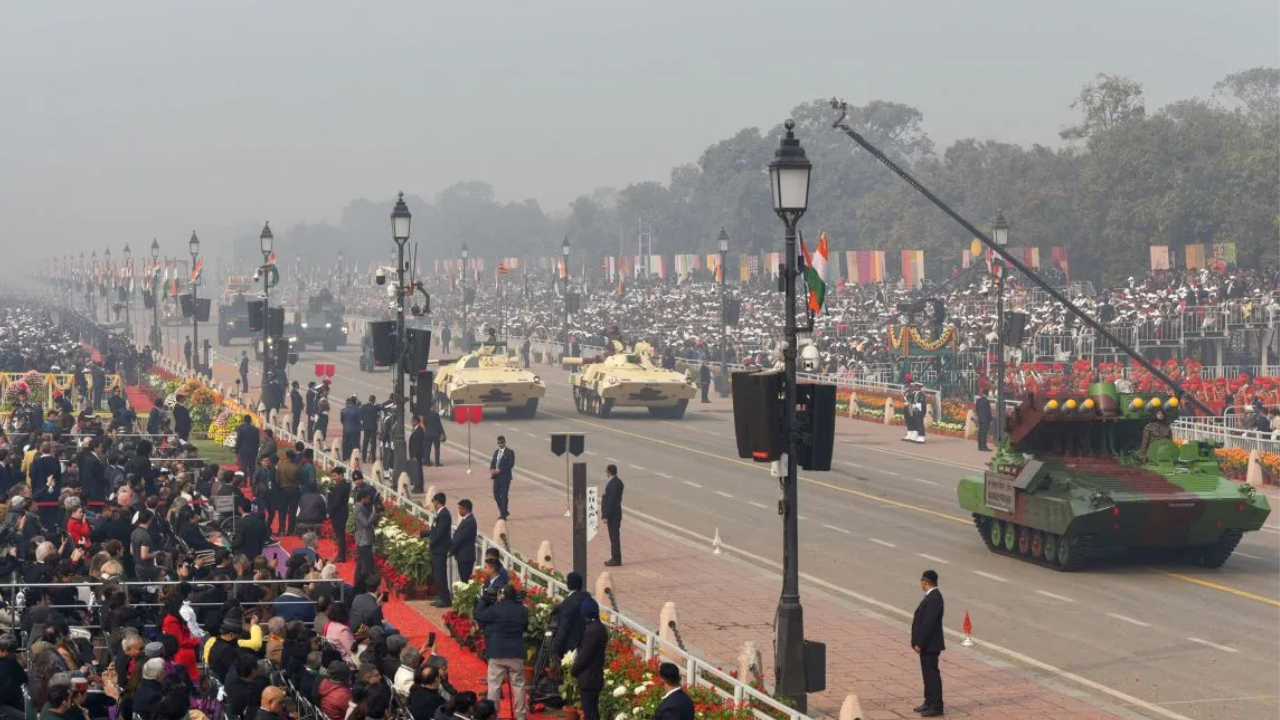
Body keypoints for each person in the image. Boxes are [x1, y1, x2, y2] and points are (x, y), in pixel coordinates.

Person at [474, 585, 528, 720]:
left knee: (494, 685)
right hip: (516, 652)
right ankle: (521, 715)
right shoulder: (522, 610)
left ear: (502, 595)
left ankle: (492, 714)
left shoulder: (495, 609)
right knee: (519, 685)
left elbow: (478, 615)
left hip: (497, 652)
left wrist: (483, 600)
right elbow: (524, 627)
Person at [910, 569, 945, 717]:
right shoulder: (932, 597)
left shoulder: (934, 598)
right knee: (927, 674)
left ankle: (936, 705)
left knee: (932, 675)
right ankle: (929, 701)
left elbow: (928, 624)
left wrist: (920, 643)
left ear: (925, 582)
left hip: (930, 644)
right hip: (928, 645)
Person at [571, 596, 607, 720]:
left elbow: (585, 656)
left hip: (589, 678)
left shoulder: (593, 631)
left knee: (590, 712)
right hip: (594, 677)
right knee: (591, 710)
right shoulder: (599, 627)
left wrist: (574, 670)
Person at [550, 572, 587, 663]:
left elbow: (564, 627)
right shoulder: (587, 597)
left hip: (571, 648)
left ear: (568, 585)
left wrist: (555, 646)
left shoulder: (569, 602)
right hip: (586, 644)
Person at [423, 493, 452, 608]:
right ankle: (441, 596)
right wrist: (422, 534)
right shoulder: (441, 514)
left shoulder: (444, 514)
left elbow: (439, 533)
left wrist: (431, 544)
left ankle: (445, 598)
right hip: (438, 549)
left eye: (433, 502)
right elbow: (434, 530)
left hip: (440, 549)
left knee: (440, 574)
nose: (433, 504)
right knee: (438, 574)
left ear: (437, 502)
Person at [353, 486, 382, 582]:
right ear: (362, 498)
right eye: (368, 499)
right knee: (364, 567)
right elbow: (366, 524)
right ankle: (362, 585)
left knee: (361, 565)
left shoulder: (361, 508)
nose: (369, 501)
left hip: (365, 540)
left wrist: (377, 515)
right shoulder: (358, 509)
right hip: (363, 541)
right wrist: (374, 513)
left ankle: (359, 584)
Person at [327, 466, 352, 563]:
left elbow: (337, 501)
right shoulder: (343, 484)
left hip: (339, 513)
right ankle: (340, 554)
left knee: (340, 535)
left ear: (341, 475)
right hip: (340, 512)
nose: (333, 478)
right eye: (332, 476)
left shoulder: (341, 486)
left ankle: (341, 556)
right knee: (339, 534)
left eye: (335, 475)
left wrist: (330, 512)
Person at [450, 499, 477, 583]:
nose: (459, 511)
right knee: (463, 579)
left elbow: (459, 539)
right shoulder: (466, 520)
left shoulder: (470, 522)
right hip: (462, 556)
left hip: (466, 557)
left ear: (465, 509)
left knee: (465, 580)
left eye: (460, 508)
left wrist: (450, 551)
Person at [602, 465, 624, 567]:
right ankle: (615, 557)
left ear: (609, 472)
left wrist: (606, 515)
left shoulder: (614, 484)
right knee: (614, 536)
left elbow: (611, 501)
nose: (605, 473)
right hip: (614, 514)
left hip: (613, 515)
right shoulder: (616, 482)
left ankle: (616, 558)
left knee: (614, 537)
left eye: (606, 471)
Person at [276, 450, 302, 536]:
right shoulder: (296, 467)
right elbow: (299, 479)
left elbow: (277, 479)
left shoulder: (281, 466)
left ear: (286, 456)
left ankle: (281, 529)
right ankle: (290, 531)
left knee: (282, 511)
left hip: (283, 490)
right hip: (294, 491)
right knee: (292, 511)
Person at [488, 436, 514, 521]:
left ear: (505, 442)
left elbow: (510, 464)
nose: (500, 444)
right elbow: (493, 462)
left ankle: (503, 515)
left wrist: (500, 470)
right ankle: (504, 511)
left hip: (505, 477)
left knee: (504, 495)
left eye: (502, 442)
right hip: (496, 477)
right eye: (499, 442)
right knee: (496, 494)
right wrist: (491, 469)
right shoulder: (496, 452)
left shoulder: (510, 452)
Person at [408, 414, 427, 494]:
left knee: (418, 471)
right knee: (416, 471)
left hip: (417, 455)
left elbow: (418, 444)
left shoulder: (419, 430)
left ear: (416, 421)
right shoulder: (415, 429)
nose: (411, 422)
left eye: (412, 421)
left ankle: (419, 487)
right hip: (415, 454)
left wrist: (415, 455)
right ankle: (416, 486)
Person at [341, 396, 362, 461]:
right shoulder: (358, 410)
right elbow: (360, 420)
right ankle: (354, 459)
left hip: (346, 429)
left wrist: (346, 426)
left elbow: (342, 420)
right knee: (354, 445)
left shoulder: (343, 410)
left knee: (345, 444)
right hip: (355, 430)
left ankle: (345, 457)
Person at [360, 395, 380, 463]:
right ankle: (373, 459)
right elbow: (376, 417)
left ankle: (363, 458)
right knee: (373, 444)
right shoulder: (374, 408)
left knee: (365, 442)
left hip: (366, 427)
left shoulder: (363, 407)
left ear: (369, 399)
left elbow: (361, 416)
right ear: (374, 400)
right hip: (373, 428)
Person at [975, 386, 993, 452]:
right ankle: (984, 446)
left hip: (980, 419)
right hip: (986, 419)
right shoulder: (987, 401)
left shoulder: (978, 400)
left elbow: (976, 409)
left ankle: (980, 446)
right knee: (984, 433)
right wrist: (991, 419)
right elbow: (989, 411)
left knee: (980, 432)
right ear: (987, 393)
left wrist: (978, 416)